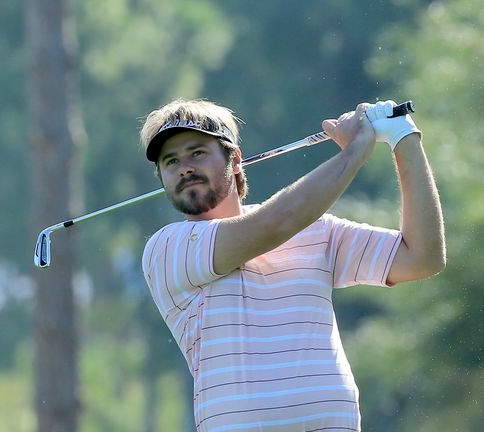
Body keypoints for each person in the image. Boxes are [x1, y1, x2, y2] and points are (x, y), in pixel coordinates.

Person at [140, 98, 445, 432]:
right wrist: (356, 149)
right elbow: (275, 224)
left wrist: (402, 137)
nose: (184, 167)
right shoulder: (167, 248)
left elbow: (421, 257)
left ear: (235, 159)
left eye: (197, 152)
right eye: (171, 161)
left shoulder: (314, 228)